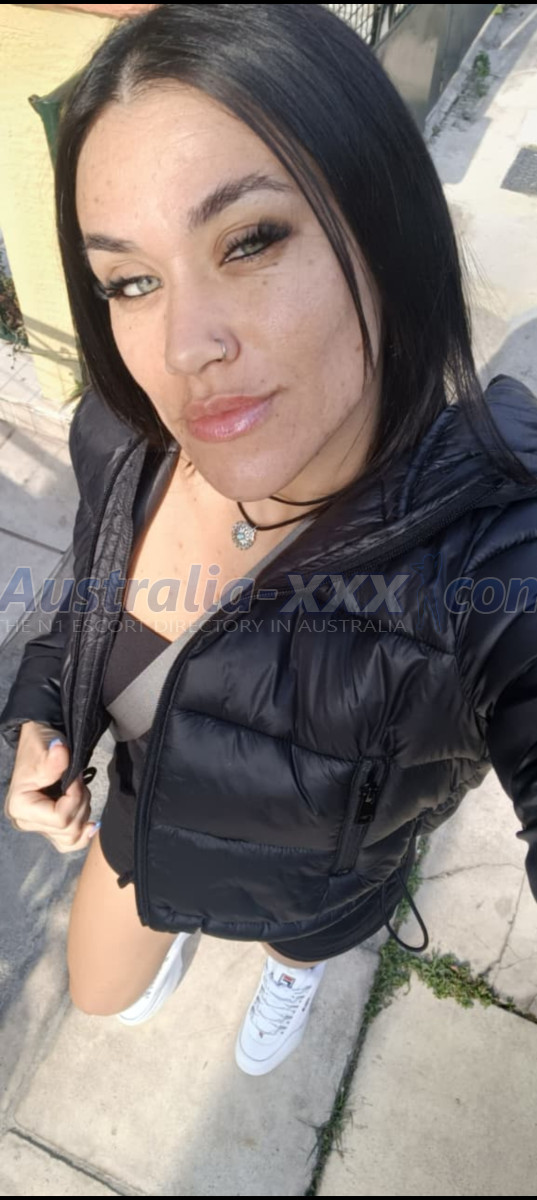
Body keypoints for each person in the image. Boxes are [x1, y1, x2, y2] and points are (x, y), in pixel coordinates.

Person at [2, 4, 537, 1079]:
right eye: (131, 281)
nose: (184, 346)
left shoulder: (485, 552)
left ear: (382, 225)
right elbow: (87, 603)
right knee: (100, 995)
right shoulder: (122, 435)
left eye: (249, 240)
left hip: (325, 877)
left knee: (308, 935)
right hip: (154, 808)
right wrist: (40, 718)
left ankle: (299, 964)